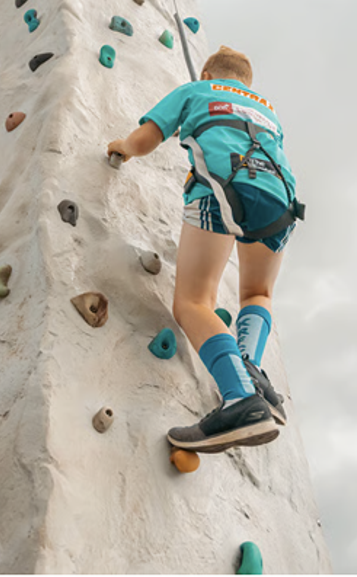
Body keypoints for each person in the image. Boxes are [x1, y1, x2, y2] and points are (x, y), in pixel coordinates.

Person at [107, 45, 303, 454]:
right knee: (258, 293)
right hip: (282, 203)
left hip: (224, 190)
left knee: (194, 303)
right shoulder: (268, 111)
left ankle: (240, 399)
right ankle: (249, 366)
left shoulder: (197, 89)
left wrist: (123, 147)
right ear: (247, 82)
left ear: (208, 71)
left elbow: (145, 139)